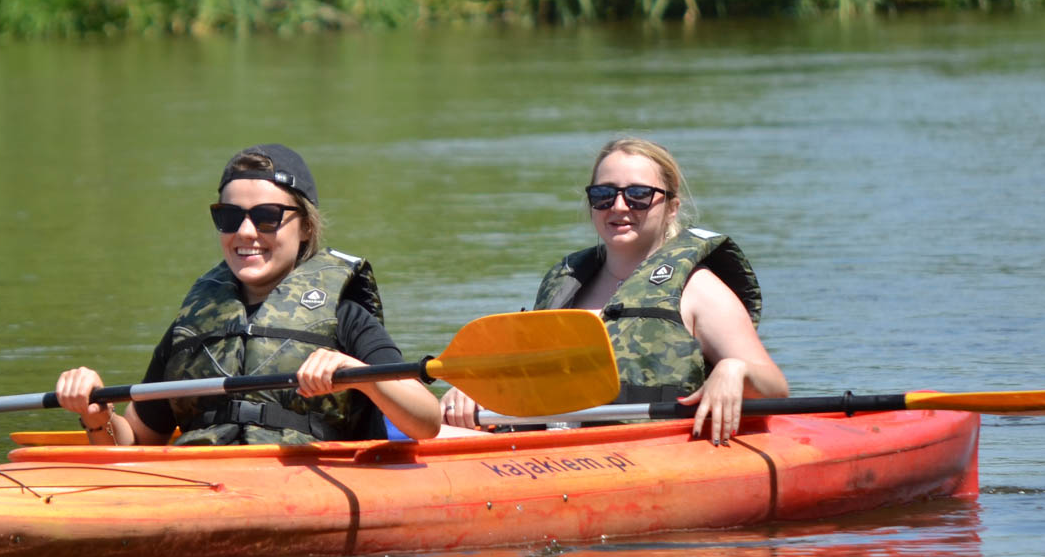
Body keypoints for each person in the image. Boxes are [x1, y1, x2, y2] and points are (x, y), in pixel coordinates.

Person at [55, 144, 443, 445]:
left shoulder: (344, 316)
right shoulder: (193, 326)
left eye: (267, 216)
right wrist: (96, 413)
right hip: (208, 481)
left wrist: (358, 375)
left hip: (309, 483)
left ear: (306, 226)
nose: (244, 232)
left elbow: (425, 421)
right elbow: (138, 442)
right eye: (228, 217)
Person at [441, 137, 787, 444]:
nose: (619, 207)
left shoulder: (698, 289)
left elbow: (775, 387)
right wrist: (475, 390)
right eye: (604, 195)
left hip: (652, 450)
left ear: (672, 206)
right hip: (554, 450)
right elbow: (530, 376)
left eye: (638, 195)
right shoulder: (565, 283)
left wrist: (734, 369)